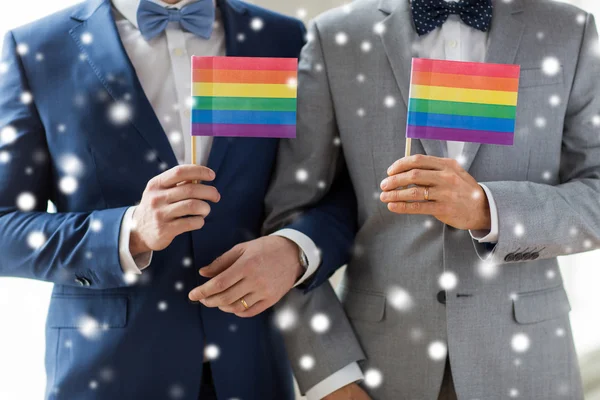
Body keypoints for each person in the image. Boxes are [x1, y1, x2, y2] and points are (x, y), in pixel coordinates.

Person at [191, 0, 600, 398]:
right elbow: (289, 216)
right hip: (377, 369)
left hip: (530, 368)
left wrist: (484, 207)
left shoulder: (570, 29)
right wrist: (330, 378)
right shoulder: (336, 36)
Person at [0, 0, 356, 398]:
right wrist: (126, 231)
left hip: (251, 369)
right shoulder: (37, 48)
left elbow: (341, 193)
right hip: (108, 375)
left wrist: (294, 250)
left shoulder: (280, 38)